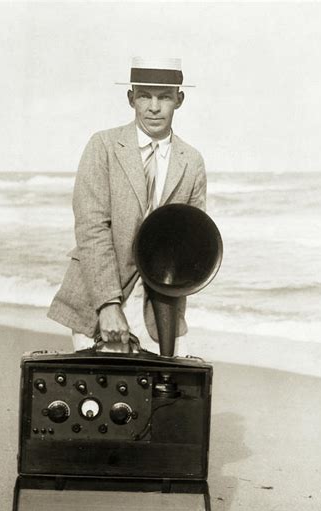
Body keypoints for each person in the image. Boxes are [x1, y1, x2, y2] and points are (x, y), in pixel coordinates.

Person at [47, 57, 207, 353]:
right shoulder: (103, 147)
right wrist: (108, 305)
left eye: (164, 97)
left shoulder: (192, 161)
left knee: (169, 397)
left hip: (161, 315)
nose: (154, 107)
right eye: (145, 95)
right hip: (97, 305)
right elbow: (91, 227)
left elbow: (193, 245)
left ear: (179, 100)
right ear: (131, 98)